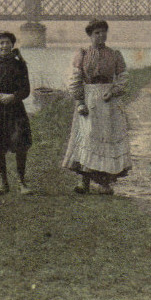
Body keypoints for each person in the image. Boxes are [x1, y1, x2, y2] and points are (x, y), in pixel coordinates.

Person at [61, 19, 131, 195]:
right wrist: (80, 102)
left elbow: (123, 76)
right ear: (90, 35)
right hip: (89, 98)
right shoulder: (82, 54)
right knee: (88, 137)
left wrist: (114, 90)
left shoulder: (114, 54)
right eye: (96, 33)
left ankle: (105, 183)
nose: (101, 36)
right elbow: (75, 79)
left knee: (107, 137)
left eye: (103, 32)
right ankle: (83, 181)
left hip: (109, 100)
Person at [0, 30, 33, 195]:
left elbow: (26, 90)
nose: (4, 46)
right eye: (1, 43)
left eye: (7, 42)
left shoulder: (20, 65)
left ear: (12, 45)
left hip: (15, 109)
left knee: (20, 145)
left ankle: (22, 182)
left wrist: (13, 97)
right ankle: (3, 182)